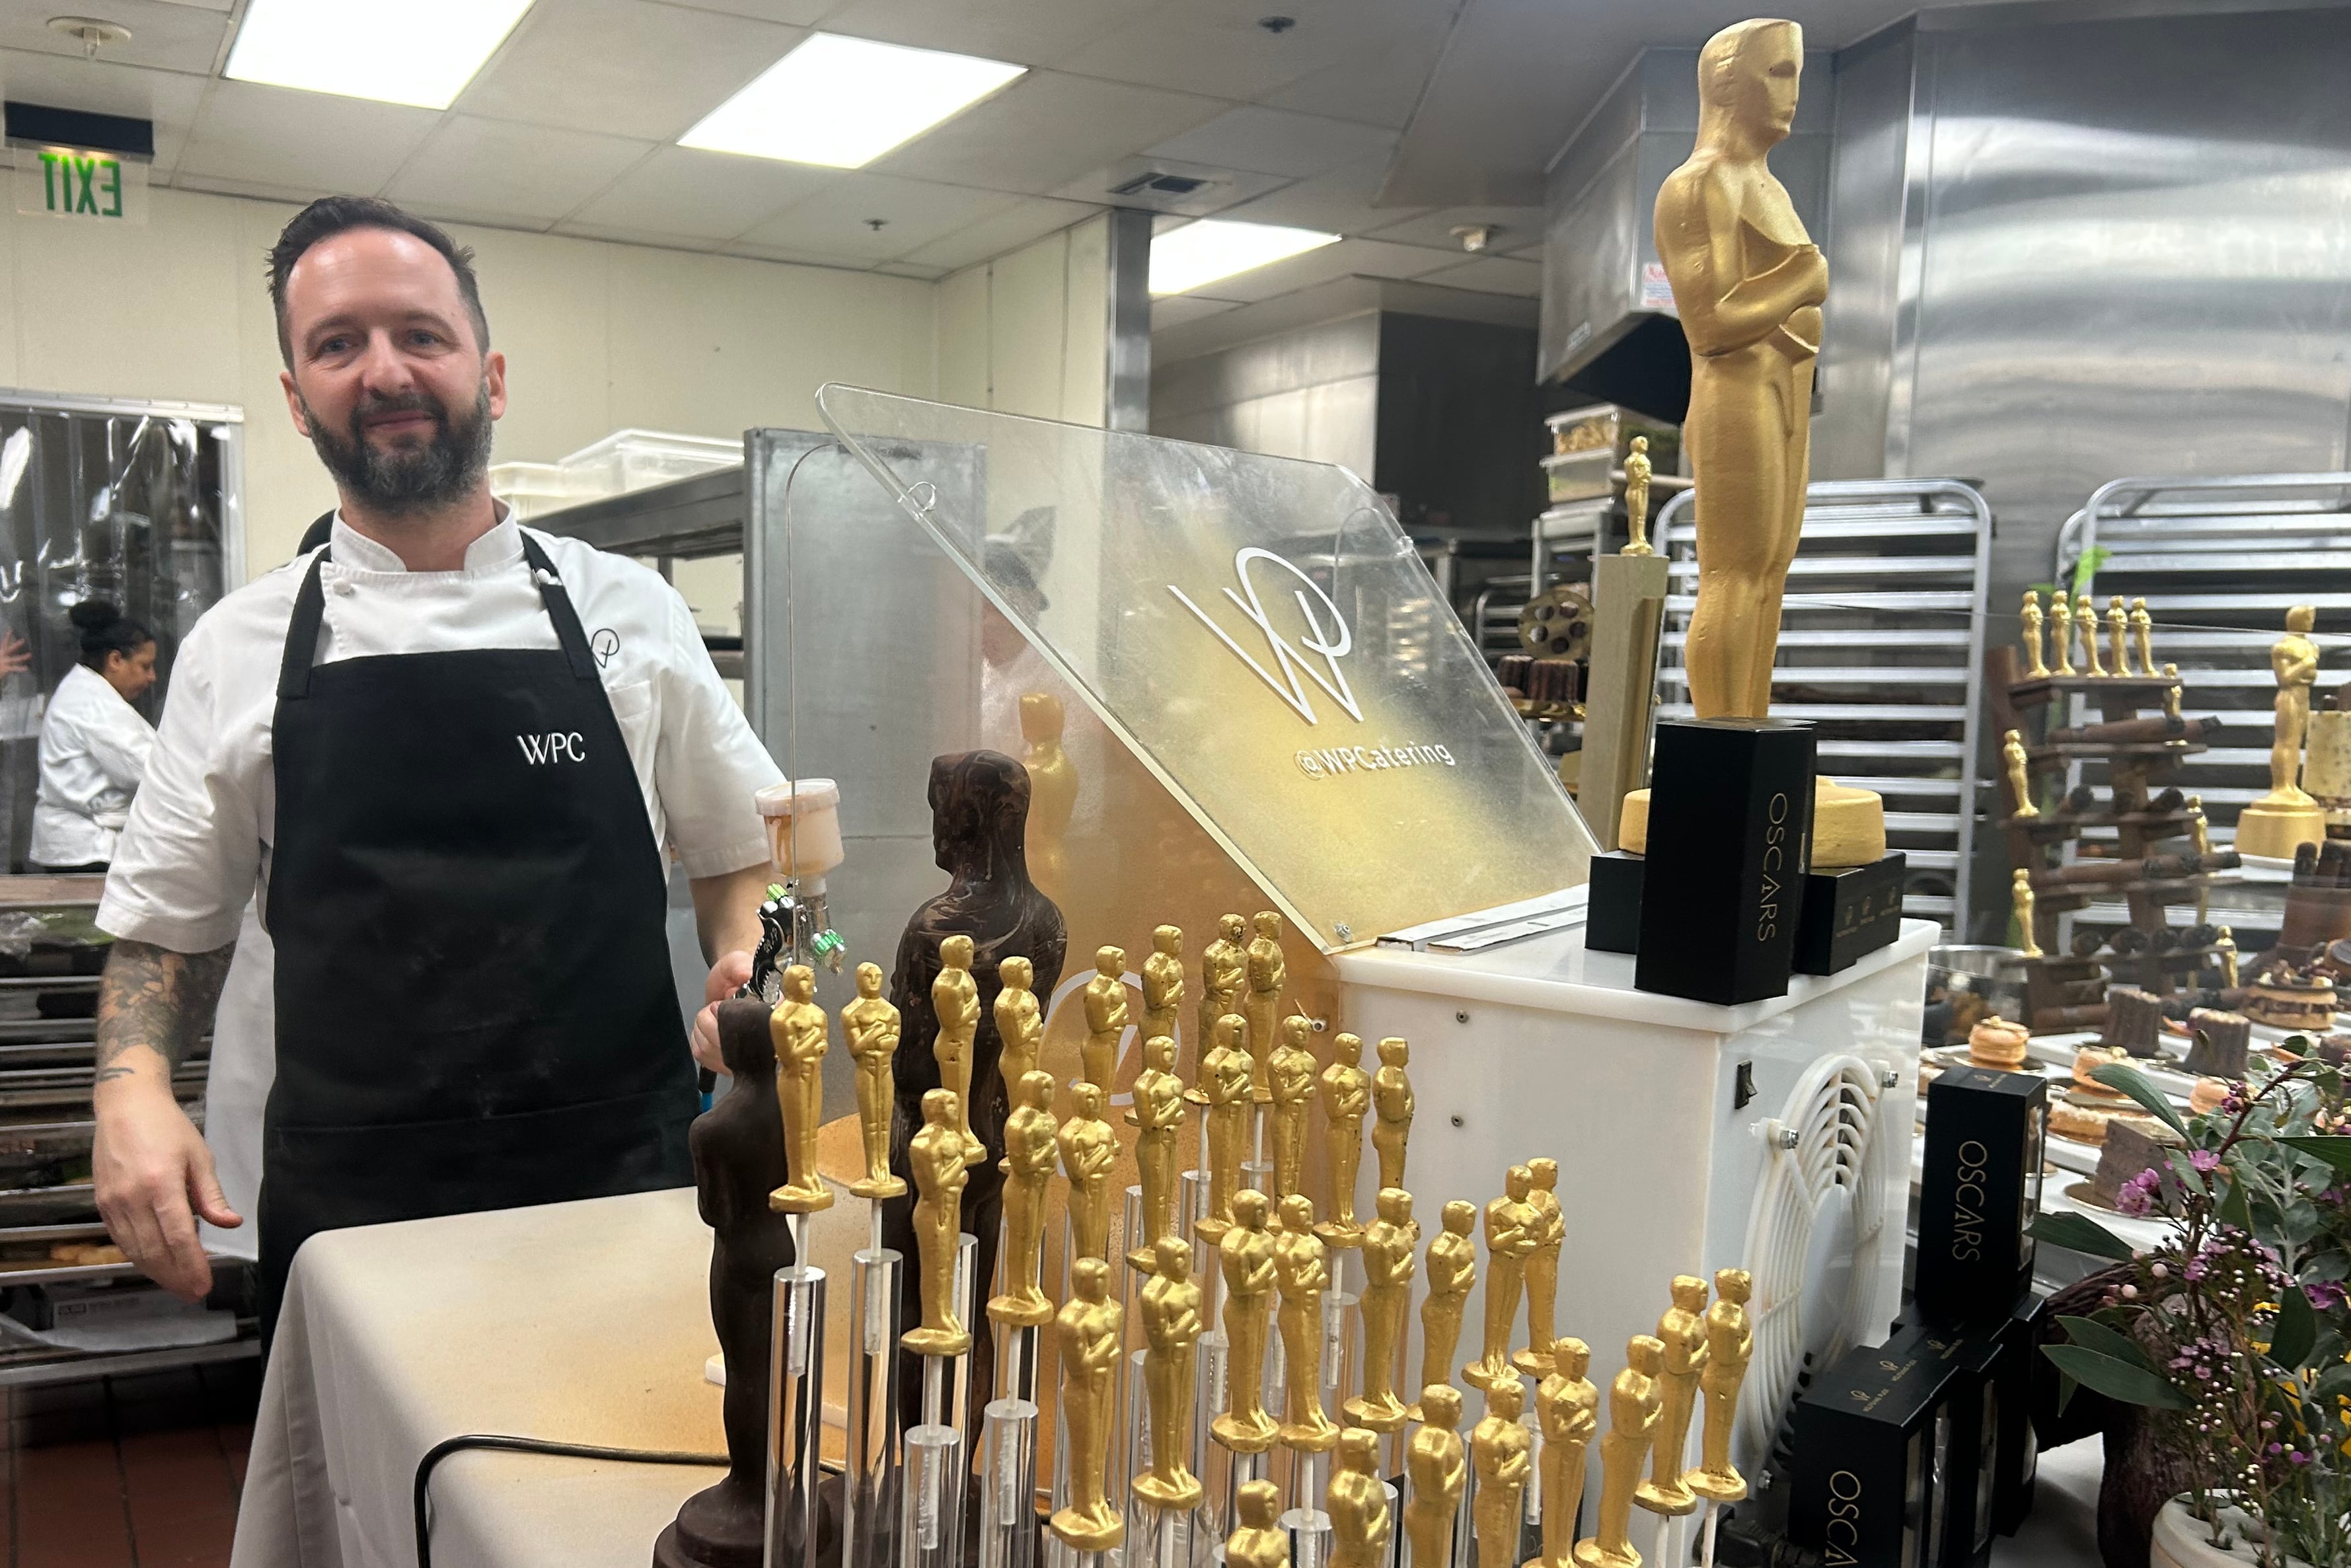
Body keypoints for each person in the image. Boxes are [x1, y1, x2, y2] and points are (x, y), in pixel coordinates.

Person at [89, 196, 782, 1335]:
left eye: (419, 334)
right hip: (357, 1210)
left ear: (490, 375)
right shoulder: (237, 647)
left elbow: (742, 852)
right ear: (295, 395)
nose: (383, 370)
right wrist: (131, 1087)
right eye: (336, 343)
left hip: (619, 1175)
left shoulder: (630, 610)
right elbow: (167, 927)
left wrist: (748, 967)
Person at [30, 601, 155, 872]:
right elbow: (149, 769)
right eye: (145, 666)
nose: (152, 677)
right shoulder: (92, 704)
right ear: (115, 660)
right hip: (87, 850)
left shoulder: (87, 691)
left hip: (81, 844)